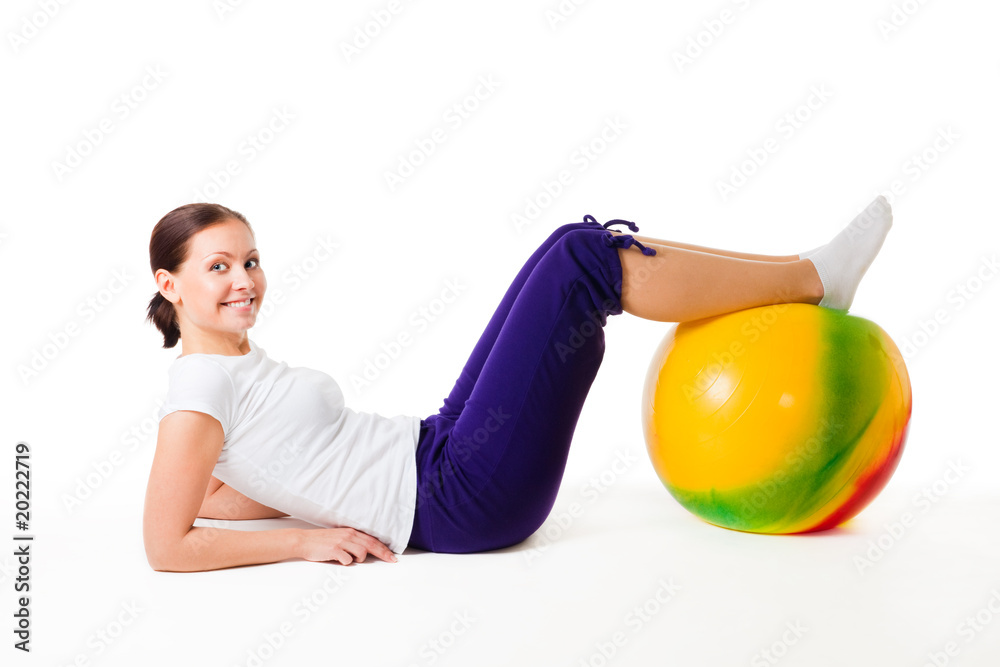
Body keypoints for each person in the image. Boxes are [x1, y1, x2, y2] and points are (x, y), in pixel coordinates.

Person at [142, 197, 893, 571]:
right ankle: (810, 278)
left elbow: (215, 494)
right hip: (457, 499)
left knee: (573, 243)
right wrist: (306, 540)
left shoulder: (227, 371)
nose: (245, 280)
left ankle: (807, 276)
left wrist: (301, 491)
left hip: (435, 445)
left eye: (250, 259)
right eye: (218, 267)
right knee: (585, 268)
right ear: (169, 284)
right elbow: (166, 542)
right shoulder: (199, 392)